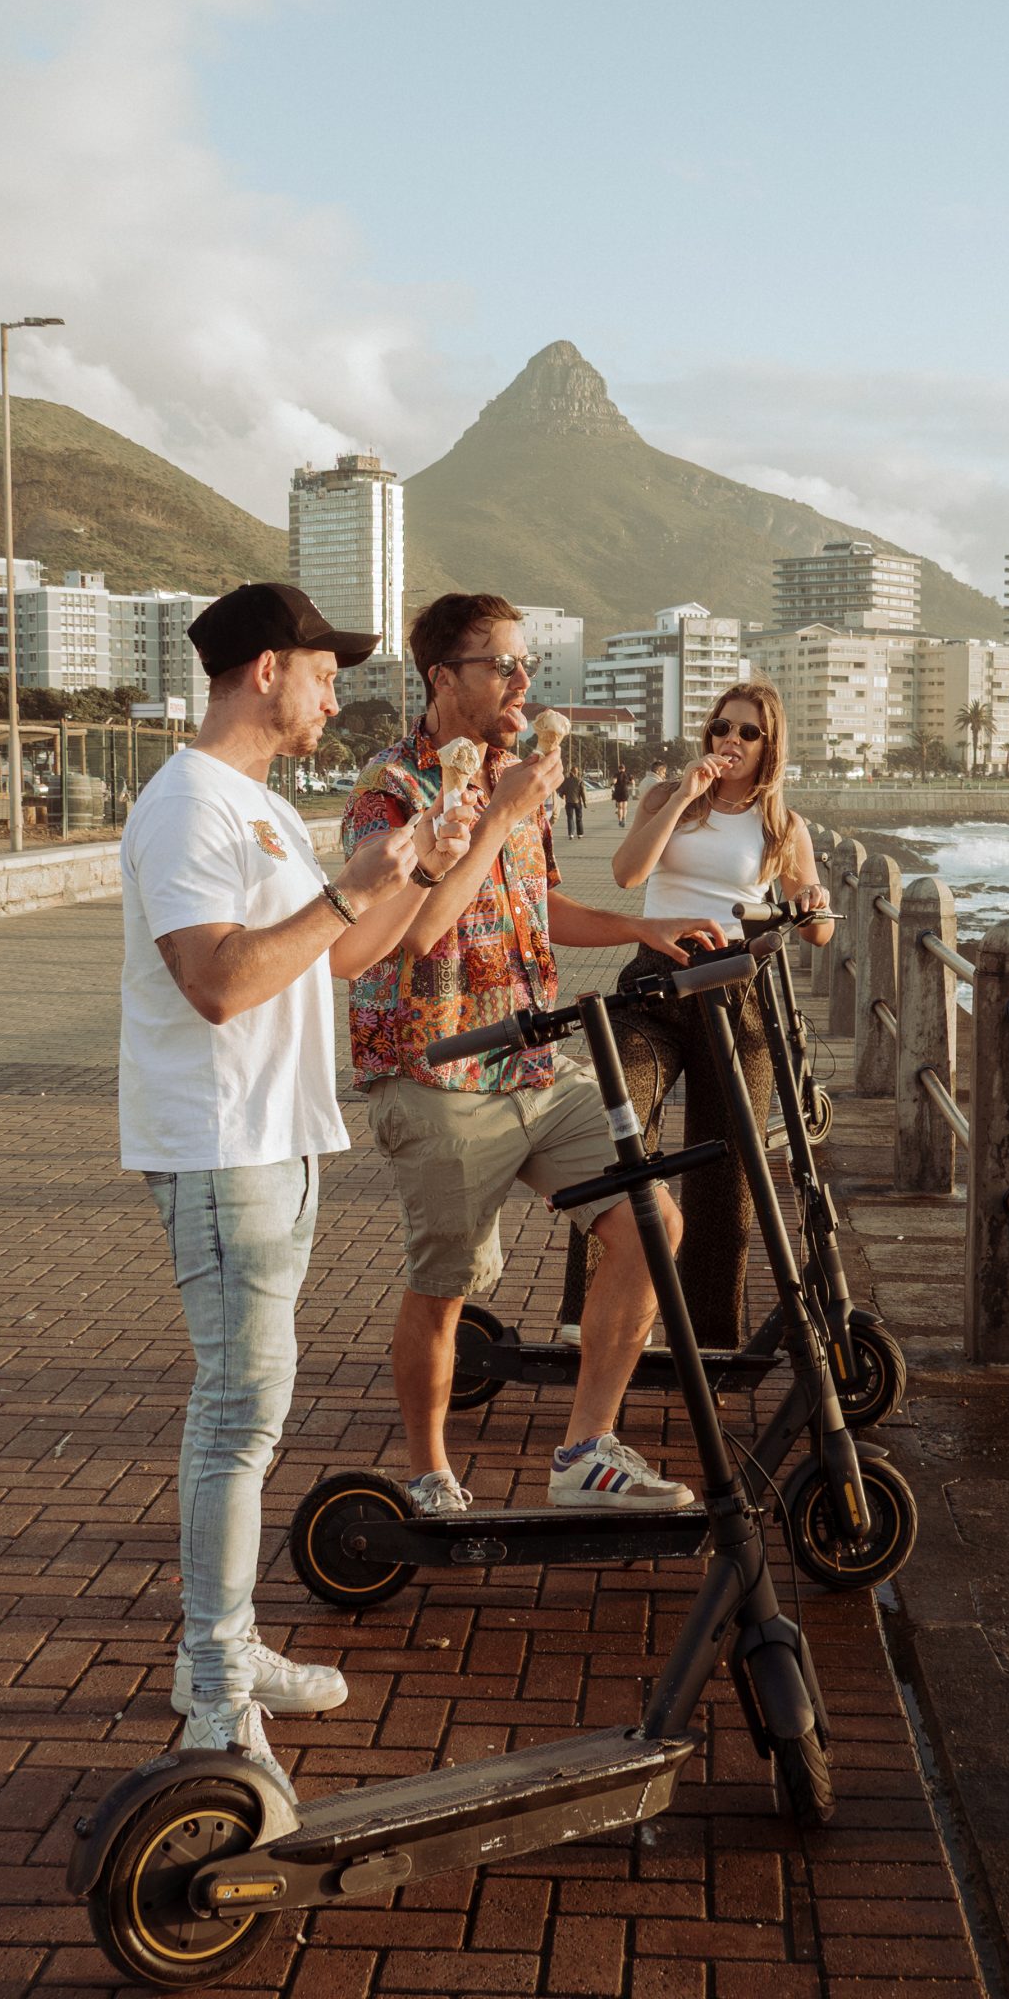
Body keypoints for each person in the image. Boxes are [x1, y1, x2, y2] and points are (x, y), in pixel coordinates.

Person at [121, 580, 474, 1787]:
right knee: (236, 1413)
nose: (336, 695)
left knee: (255, 1410)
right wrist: (347, 885)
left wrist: (416, 867)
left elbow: (347, 950)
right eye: (325, 672)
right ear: (266, 669)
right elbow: (216, 983)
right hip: (222, 1146)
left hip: (280, 1140)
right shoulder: (186, 804)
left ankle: (226, 1645)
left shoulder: (264, 807)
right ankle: (214, 1686)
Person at [343, 593, 727, 1519]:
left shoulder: (519, 777)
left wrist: (644, 927)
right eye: (502, 666)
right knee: (447, 1286)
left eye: (527, 665)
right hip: (437, 1070)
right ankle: (429, 1473)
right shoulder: (390, 790)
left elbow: (536, 903)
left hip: (534, 1061)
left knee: (652, 1223)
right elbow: (420, 931)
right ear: (443, 678)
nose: (523, 683)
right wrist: (495, 816)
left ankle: (585, 1452)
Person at [598, 681, 833, 1345]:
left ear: (769, 746)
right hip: (655, 980)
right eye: (722, 727)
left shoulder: (782, 826)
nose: (731, 740)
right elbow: (626, 874)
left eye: (747, 732)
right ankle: (590, 1317)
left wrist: (813, 899)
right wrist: (683, 794)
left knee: (729, 1170)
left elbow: (818, 932)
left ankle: (710, 1339)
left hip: (735, 990)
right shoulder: (664, 797)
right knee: (617, 1127)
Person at [559, 757, 587, 837]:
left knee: (570, 818)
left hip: (568, 802)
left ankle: (571, 834)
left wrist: (562, 796)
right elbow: (583, 793)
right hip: (577, 802)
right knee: (579, 818)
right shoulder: (579, 781)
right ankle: (580, 834)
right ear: (576, 772)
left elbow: (561, 790)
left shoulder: (566, 781)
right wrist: (585, 802)